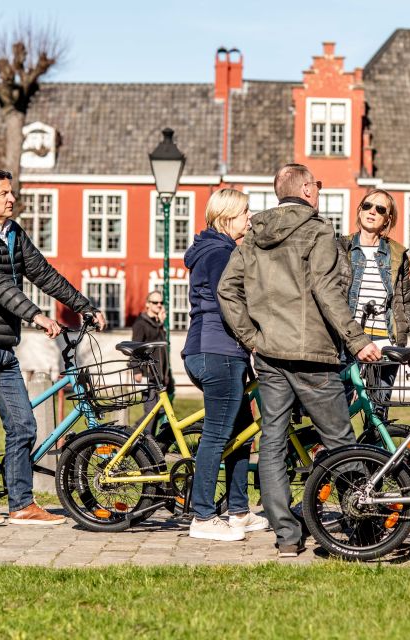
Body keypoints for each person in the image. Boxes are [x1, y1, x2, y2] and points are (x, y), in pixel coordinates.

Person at [219, 163, 382, 558]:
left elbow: (228, 289)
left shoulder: (254, 235)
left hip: (271, 354)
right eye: (319, 186)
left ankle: (287, 536)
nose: (320, 191)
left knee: (272, 441)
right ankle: (361, 525)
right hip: (313, 354)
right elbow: (326, 291)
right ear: (308, 189)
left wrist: (252, 338)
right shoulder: (317, 231)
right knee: (340, 440)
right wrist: (357, 339)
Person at [0, 168, 107, 526]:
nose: (11, 198)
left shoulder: (12, 233)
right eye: (4, 193)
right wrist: (36, 315)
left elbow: (43, 273)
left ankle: (21, 503)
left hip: (4, 346)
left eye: (11, 192)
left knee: (23, 425)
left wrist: (84, 305)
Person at [181, 188, 269, 541]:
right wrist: (257, 339)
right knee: (217, 435)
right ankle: (202, 517)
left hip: (219, 352)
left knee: (242, 432)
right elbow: (230, 304)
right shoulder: (220, 254)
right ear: (227, 216)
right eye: (245, 212)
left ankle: (238, 510)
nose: (250, 218)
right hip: (216, 352)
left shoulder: (220, 249)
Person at [337, 189, 410, 414]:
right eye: (367, 206)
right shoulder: (341, 248)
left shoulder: (396, 254)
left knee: (378, 414)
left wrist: (403, 325)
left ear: (387, 219)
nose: (372, 211)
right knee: (337, 413)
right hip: (348, 343)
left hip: (384, 344)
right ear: (359, 210)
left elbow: (406, 300)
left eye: (380, 209)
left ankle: (371, 450)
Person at [131, 290, 174, 428]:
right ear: (147, 304)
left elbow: (161, 345)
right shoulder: (141, 324)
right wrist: (136, 369)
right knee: (151, 413)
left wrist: (161, 324)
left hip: (160, 376)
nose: (159, 305)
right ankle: (133, 435)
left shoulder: (157, 324)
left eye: (161, 303)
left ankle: (148, 442)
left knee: (160, 411)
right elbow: (135, 348)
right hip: (148, 375)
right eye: (155, 302)